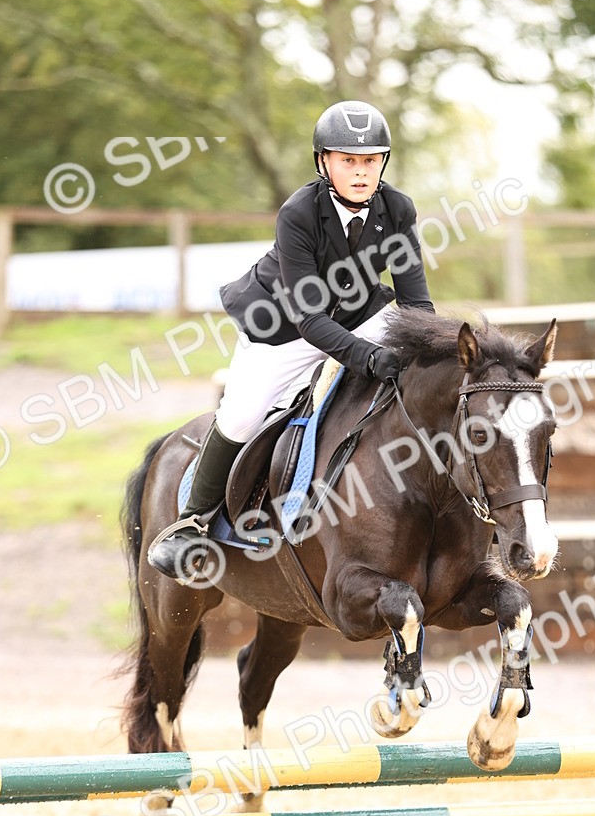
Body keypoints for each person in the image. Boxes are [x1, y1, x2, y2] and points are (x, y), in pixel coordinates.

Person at [148, 98, 435, 578]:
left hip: (357, 313)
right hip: (282, 328)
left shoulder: (397, 209)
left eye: (370, 161)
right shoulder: (299, 212)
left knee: (420, 349)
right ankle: (191, 523)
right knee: (241, 415)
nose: (361, 172)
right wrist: (370, 359)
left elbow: (417, 305)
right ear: (324, 162)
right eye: (348, 161)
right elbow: (310, 321)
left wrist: (430, 350)